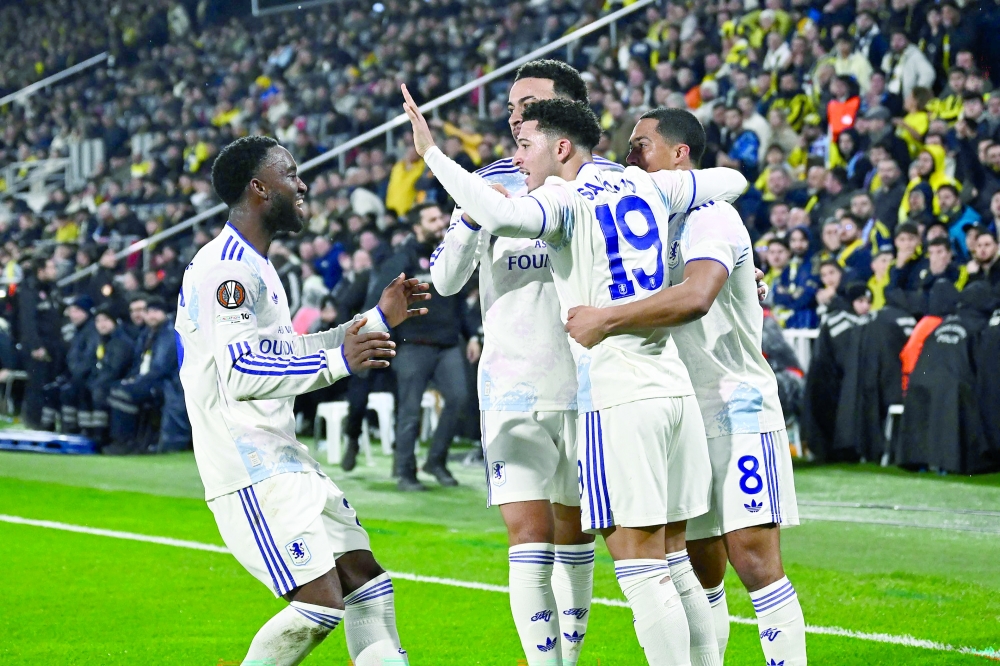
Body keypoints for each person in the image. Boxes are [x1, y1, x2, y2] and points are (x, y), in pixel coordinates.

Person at [403, 88, 747, 664]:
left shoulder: (563, 199)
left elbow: (505, 213)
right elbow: (730, 181)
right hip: (672, 384)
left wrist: (432, 154)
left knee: (640, 571)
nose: (518, 157)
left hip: (614, 394)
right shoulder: (646, 183)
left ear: (560, 144)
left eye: (525, 141)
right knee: (674, 561)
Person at [175, 135, 429, 666]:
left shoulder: (256, 264)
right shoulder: (226, 269)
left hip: (283, 457)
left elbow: (283, 350)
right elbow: (242, 370)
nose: (303, 182)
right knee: (318, 606)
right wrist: (341, 362)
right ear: (259, 187)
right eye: (291, 173)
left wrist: (376, 321)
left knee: (369, 587)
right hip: (248, 463)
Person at [564, 108, 806, 666]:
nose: (629, 155)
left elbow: (696, 297)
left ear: (680, 155)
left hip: (737, 407)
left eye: (641, 144)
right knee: (698, 569)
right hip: (683, 411)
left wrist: (605, 317)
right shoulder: (648, 219)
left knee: (755, 562)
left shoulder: (712, 218)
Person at [428, 59, 609, 666]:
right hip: (511, 382)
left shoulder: (606, 182)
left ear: (565, 112)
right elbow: (448, 282)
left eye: (527, 104)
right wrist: (474, 217)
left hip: (590, 382)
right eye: (510, 106)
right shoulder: (486, 183)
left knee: (578, 534)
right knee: (528, 535)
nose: (513, 116)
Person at [373, 202, 475, 490]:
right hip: (412, 345)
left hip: (447, 344)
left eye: (440, 217)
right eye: (432, 219)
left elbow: (459, 299)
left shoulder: (449, 255)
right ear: (417, 227)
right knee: (410, 410)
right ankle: (405, 471)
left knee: (458, 398)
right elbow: (381, 300)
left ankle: (436, 460)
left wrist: (473, 336)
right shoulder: (401, 260)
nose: (440, 223)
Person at [18, 256, 64, 430]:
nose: (55, 271)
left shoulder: (53, 288)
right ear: (41, 271)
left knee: (50, 386)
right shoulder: (29, 290)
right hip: (38, 346)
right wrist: (36, 346)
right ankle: (33, 423)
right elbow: (28, 321)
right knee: (36, 386)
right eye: (51, 267)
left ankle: (47, 424)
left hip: (54, 345)